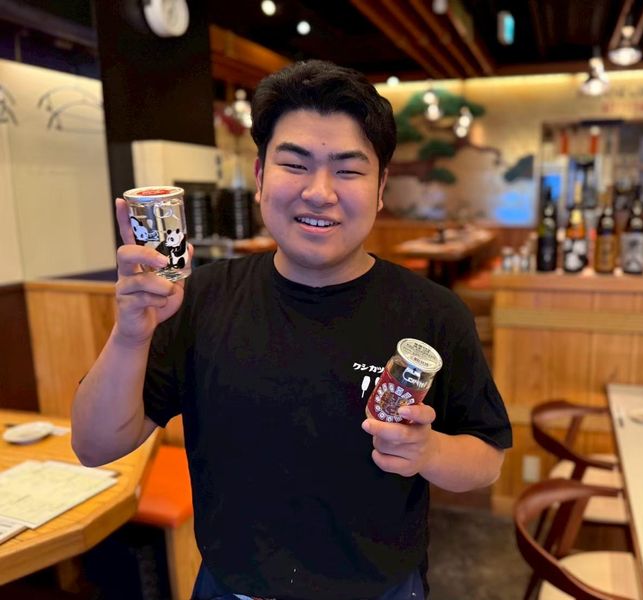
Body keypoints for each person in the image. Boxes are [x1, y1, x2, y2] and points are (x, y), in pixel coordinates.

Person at [72, 60, 512, 600]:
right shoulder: (199, 299)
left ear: (380, 188)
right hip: (232, 589)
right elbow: (95, 446)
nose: (319, 192)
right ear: (260, 177)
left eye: (348, 170)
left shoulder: (434, 313)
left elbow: (487, 459)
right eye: (295, 164)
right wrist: (130, 334)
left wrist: (430, 453)